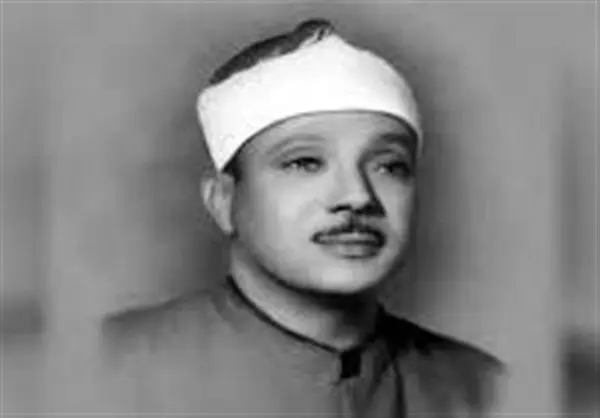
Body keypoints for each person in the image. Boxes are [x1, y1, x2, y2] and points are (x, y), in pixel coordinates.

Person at [102, 18, 504, 417]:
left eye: (389, 166)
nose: (357, 196)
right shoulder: (109, 367)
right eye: (305, 162)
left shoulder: (484, 389)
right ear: (222, 200)